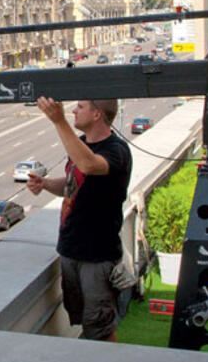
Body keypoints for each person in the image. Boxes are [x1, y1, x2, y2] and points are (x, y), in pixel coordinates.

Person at [26, 98, 131, 341]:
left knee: (100, 328)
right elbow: (74, 183)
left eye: (81, 107)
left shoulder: (116, 151)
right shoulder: (82, 144)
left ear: (97, 114)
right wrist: (45, 184)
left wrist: (59, 121)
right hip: (71, 250)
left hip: (97, 257)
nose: (74, 109)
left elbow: (88, 165)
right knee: (83, 321)